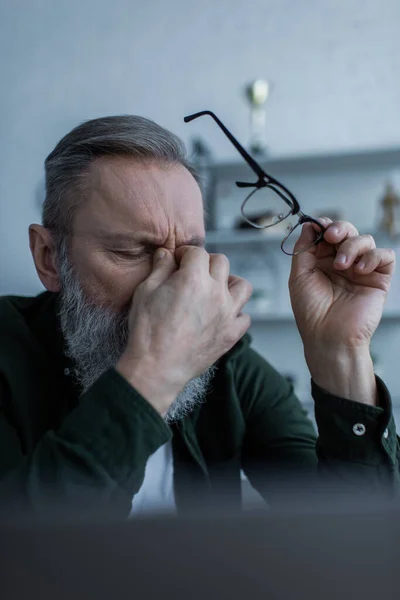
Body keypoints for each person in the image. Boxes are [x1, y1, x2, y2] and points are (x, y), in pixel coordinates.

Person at [0, 115, 398, 518]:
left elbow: (353, 532)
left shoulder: (227, 362)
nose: (178, 285)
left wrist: (340, 353)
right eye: (131, 252)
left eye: (191, 250)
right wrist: (155, 371)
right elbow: (24, 560)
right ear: (48, 258)